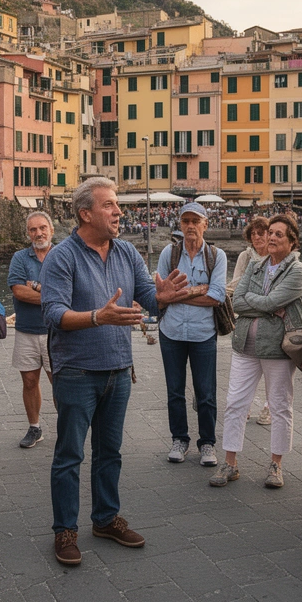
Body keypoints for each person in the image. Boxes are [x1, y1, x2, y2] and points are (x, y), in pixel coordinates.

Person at [40, 177, 187, 566]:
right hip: (76, 372)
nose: (119, 211)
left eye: (117, 204)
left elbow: (148, 299)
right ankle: (65, 531)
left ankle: (105, 519)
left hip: (119, 371)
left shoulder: (126, 253)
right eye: (109, 205)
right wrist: (96, 317)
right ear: (86, 213)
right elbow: (52, 313)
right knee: (69, 455)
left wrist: (163, 298)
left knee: (110, 452)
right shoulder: (62, 256)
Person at [210, 214, 302, 488]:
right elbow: (238, 303)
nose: (273, 238)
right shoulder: (254, 265)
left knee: (280, 406)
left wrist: (265, 303)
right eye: (271, 233)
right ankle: (230, 463)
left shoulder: (298, 271)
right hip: (244, 345)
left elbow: (272, 300)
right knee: (235, 404)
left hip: (277, 349)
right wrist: (267, 307)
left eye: (279, 234)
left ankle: (276, 465)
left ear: (292, 241)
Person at [156, 203, 228, 466]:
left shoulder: (216, 256)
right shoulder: (169, 253)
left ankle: (207, 443)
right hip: (171, 332)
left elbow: (217, 297)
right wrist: (199, 290)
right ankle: (180, 439)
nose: (189, 226)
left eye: (195, 221)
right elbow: (162, 294)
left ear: (205, 225)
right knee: (174, 390)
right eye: (185, 221)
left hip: (203, 333)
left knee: (206, 391)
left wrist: (179, 295)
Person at [8, 211, 56, 449]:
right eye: (33, 229)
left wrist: (36, 287)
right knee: (29, 381)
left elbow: (68, 292)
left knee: (59, 380)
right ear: (28, 233)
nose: (38, 233)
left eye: (42, 228)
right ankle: (34, 427)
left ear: (51, 230)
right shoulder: (20, 257)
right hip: (26, 329)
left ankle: (67, 427)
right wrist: (52, 295)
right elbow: (18, 291)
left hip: (55, 330)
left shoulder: (61, 255)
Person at [229, 216, 272, 426]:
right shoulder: (245, 257)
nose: (256, 237)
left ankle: (268, 407)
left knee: (271, 367)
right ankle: (245, 406)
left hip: (270, 320)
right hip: (246, 317)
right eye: (253, 233)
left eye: (261, 233)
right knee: (248, 366)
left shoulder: (277, 257)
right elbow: (236, 285)